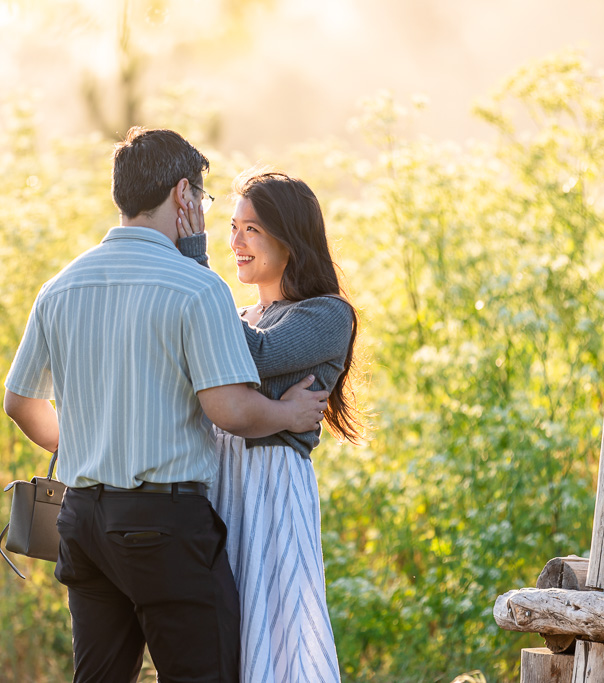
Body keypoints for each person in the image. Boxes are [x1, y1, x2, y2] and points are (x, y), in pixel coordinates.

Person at [2, 129, 330, 683]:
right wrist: (288, 416)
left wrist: (91, 440)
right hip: (164, 528)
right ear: (183, 194)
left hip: (81, 522)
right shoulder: (195, 288)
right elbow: (229, 409)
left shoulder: (60, 286)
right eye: (202, 199)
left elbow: (19, 402)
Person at [176, 169, 363, 682]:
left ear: (290, 238)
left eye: (251, 229)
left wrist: (194, 259)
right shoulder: (238, 314)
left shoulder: (328, 315)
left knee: (280, 636)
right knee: (225, 637)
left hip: (272, 487)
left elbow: (255, 354)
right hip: (221, 484)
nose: (235, 242)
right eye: (232, 227)